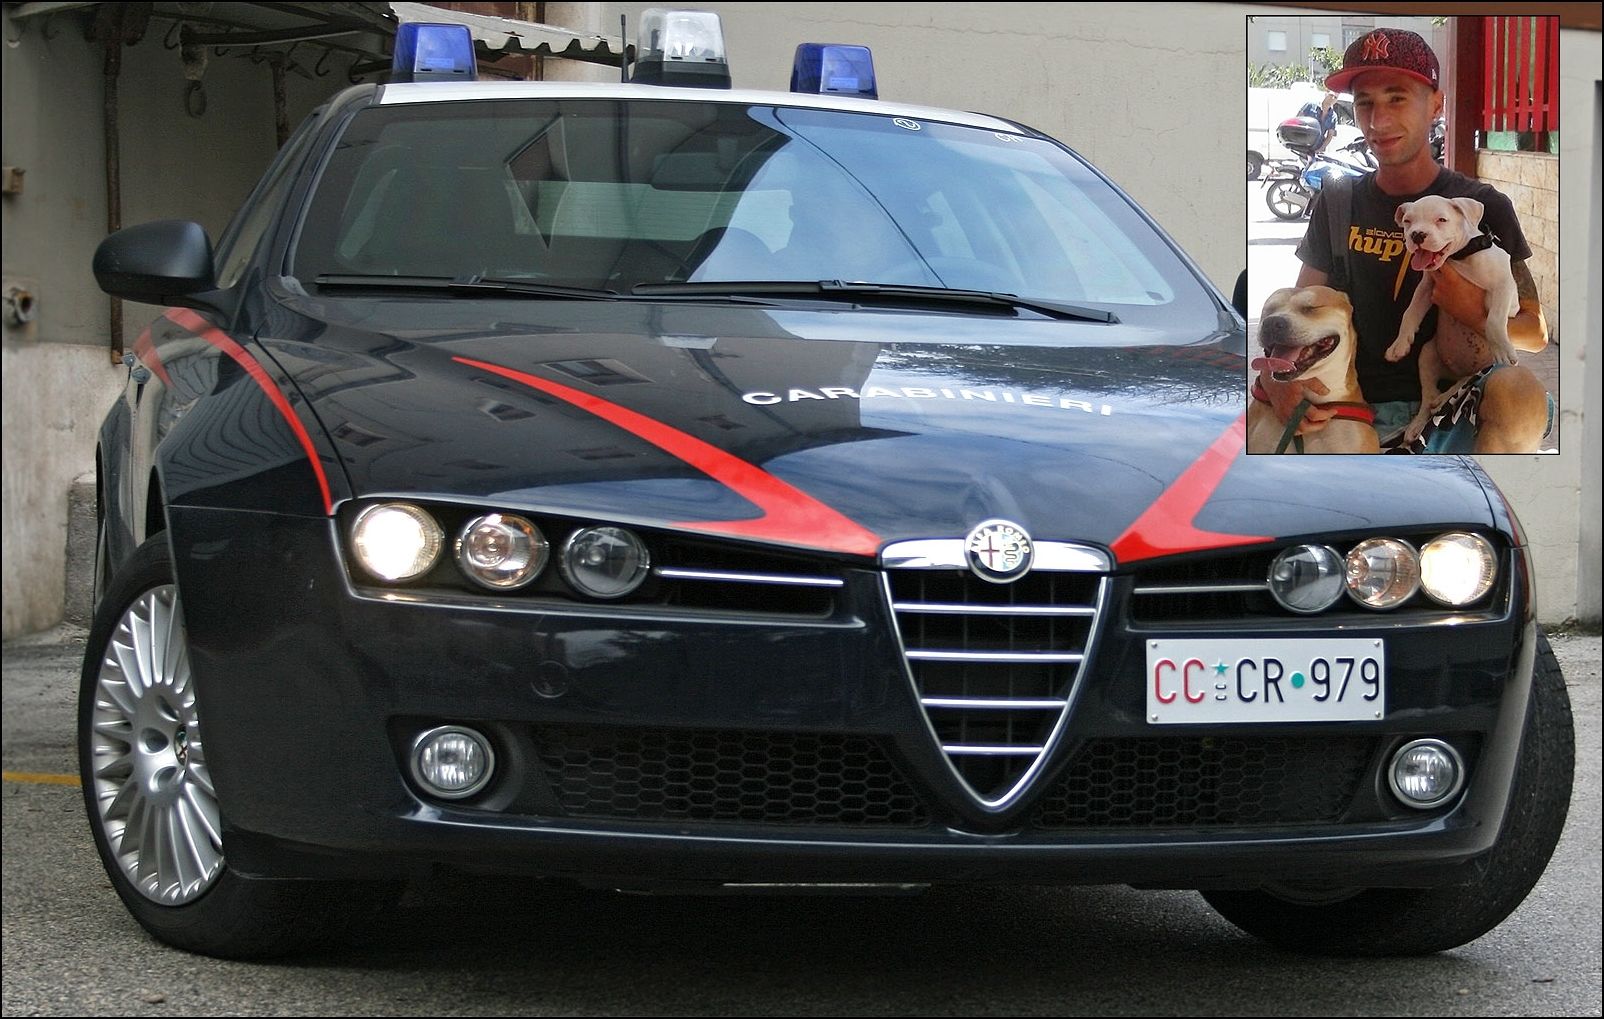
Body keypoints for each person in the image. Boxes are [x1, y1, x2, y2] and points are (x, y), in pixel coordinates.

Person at [1259, 27, 1550, 453]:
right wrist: (1274, 380)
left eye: (1397, 98)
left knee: (1520, 392)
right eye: (1365, 103)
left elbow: (1534, 334)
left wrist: (1470, 309)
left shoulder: (1482, 207)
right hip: (1348, 406)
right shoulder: (1338, 202)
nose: (1378, 121)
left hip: (1458, 401)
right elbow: (1300, 309)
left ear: (1436, 104)